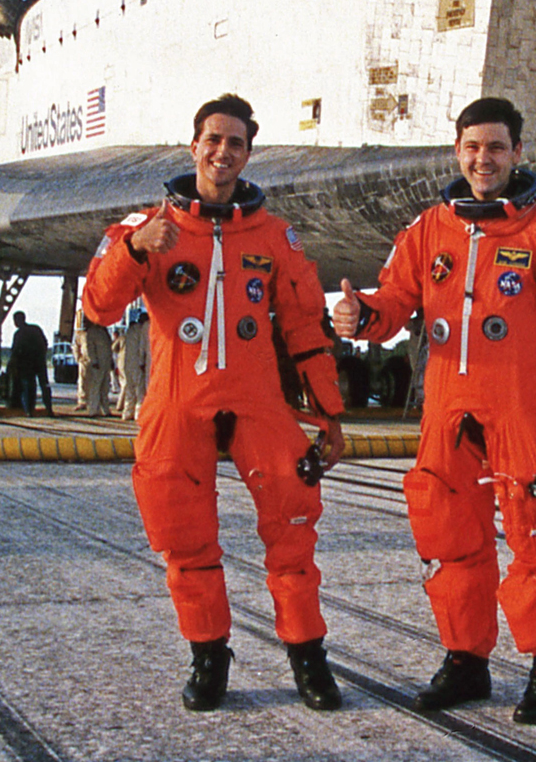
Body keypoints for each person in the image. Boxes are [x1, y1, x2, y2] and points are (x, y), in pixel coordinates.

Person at [334, 96, 536, 726]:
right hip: (449, 413)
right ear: (458, 151)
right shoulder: (431, 227)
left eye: (497, 148)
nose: (484, 159)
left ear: (517, 153)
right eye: (473, 148)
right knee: (448, 536)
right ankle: (465, 659)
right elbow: (395, 301)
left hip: (526, 413)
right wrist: (360, 316)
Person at [82, 94, 346, 713]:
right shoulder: (144, 228)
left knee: (294, 529)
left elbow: (307, 329)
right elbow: (98, 306)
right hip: (179, 402)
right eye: (213, 140)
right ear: (193, 144)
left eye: (236, 143)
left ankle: (308, 656)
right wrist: (137, 249)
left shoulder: (275, 236)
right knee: (184, 537)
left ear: (248, 154)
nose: (222, 152)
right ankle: (209, 655)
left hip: (258, 402)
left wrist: (330, 414)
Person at [9, 310, 52, 416]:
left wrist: (13, 365)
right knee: (44, 385)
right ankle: (49, 408)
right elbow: (45, 343)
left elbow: (15, 351)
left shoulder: (19, 334)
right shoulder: (36, 329)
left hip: (26, 364)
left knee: (28, 387)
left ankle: (29, 410)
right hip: (39, 361)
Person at [75, 308, 115, 416]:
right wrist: (93, 361)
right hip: (97, 364)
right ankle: (93, 410)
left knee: (105, 387)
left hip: (105, 363)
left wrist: (111, 361)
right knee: (95, 387)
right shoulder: (90, 333)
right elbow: (89, 349)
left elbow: (108, 348)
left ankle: (106, 410)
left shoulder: (104, 332)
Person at [117, 308, 149, 420]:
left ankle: (127, 412)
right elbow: (142, 348)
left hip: (127, 364)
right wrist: (142, 362)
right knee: (140, 390)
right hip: (137, 363)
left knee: (129, 388)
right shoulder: (143, 330)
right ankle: (138, 414)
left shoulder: (129, 331)